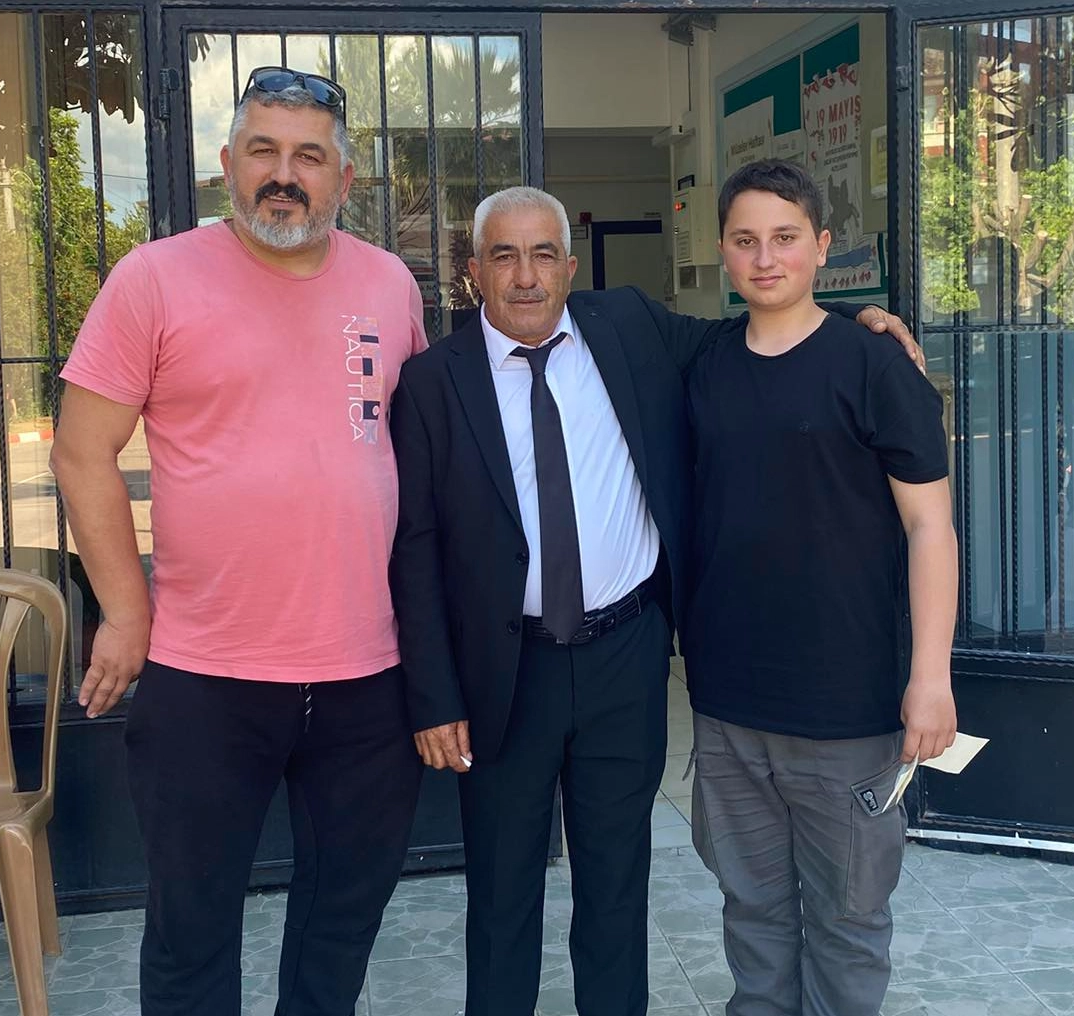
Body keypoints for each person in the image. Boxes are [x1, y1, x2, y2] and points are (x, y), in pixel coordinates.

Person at [387, 185, 920, 1016]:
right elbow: (413, 548)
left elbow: (753, 326)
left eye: (542, 255)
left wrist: (860, 318)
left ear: (570, 267)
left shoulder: (627, 327)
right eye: (503, 256)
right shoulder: (430, 382)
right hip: (503, 672)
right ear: (473, 272)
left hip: (623, 659)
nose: (525, 277)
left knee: (615, 883)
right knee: (498, 891)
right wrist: (434, 696)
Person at [49, 68, 426, 1016]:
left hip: (367, 673)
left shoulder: (388, 283)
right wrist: (124, 613)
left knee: (343, 918)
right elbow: (81, 452)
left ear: (345, 178)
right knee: (191, 928)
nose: (283, 174)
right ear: (226, 164)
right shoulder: (153, 278)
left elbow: (418, 452)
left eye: (309, 156)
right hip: (204, 674)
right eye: (263, 151)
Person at [684, 159, 958, 1016]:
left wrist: (931, 677)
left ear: (822, 244)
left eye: (785, 238)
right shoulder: (701, 361)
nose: (765, 258)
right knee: (752, 913)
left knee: (847, 920)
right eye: (745, 240)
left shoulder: (875, 365)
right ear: (722, 250)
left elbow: (930, 528)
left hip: (847, 705)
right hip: (728, 705)